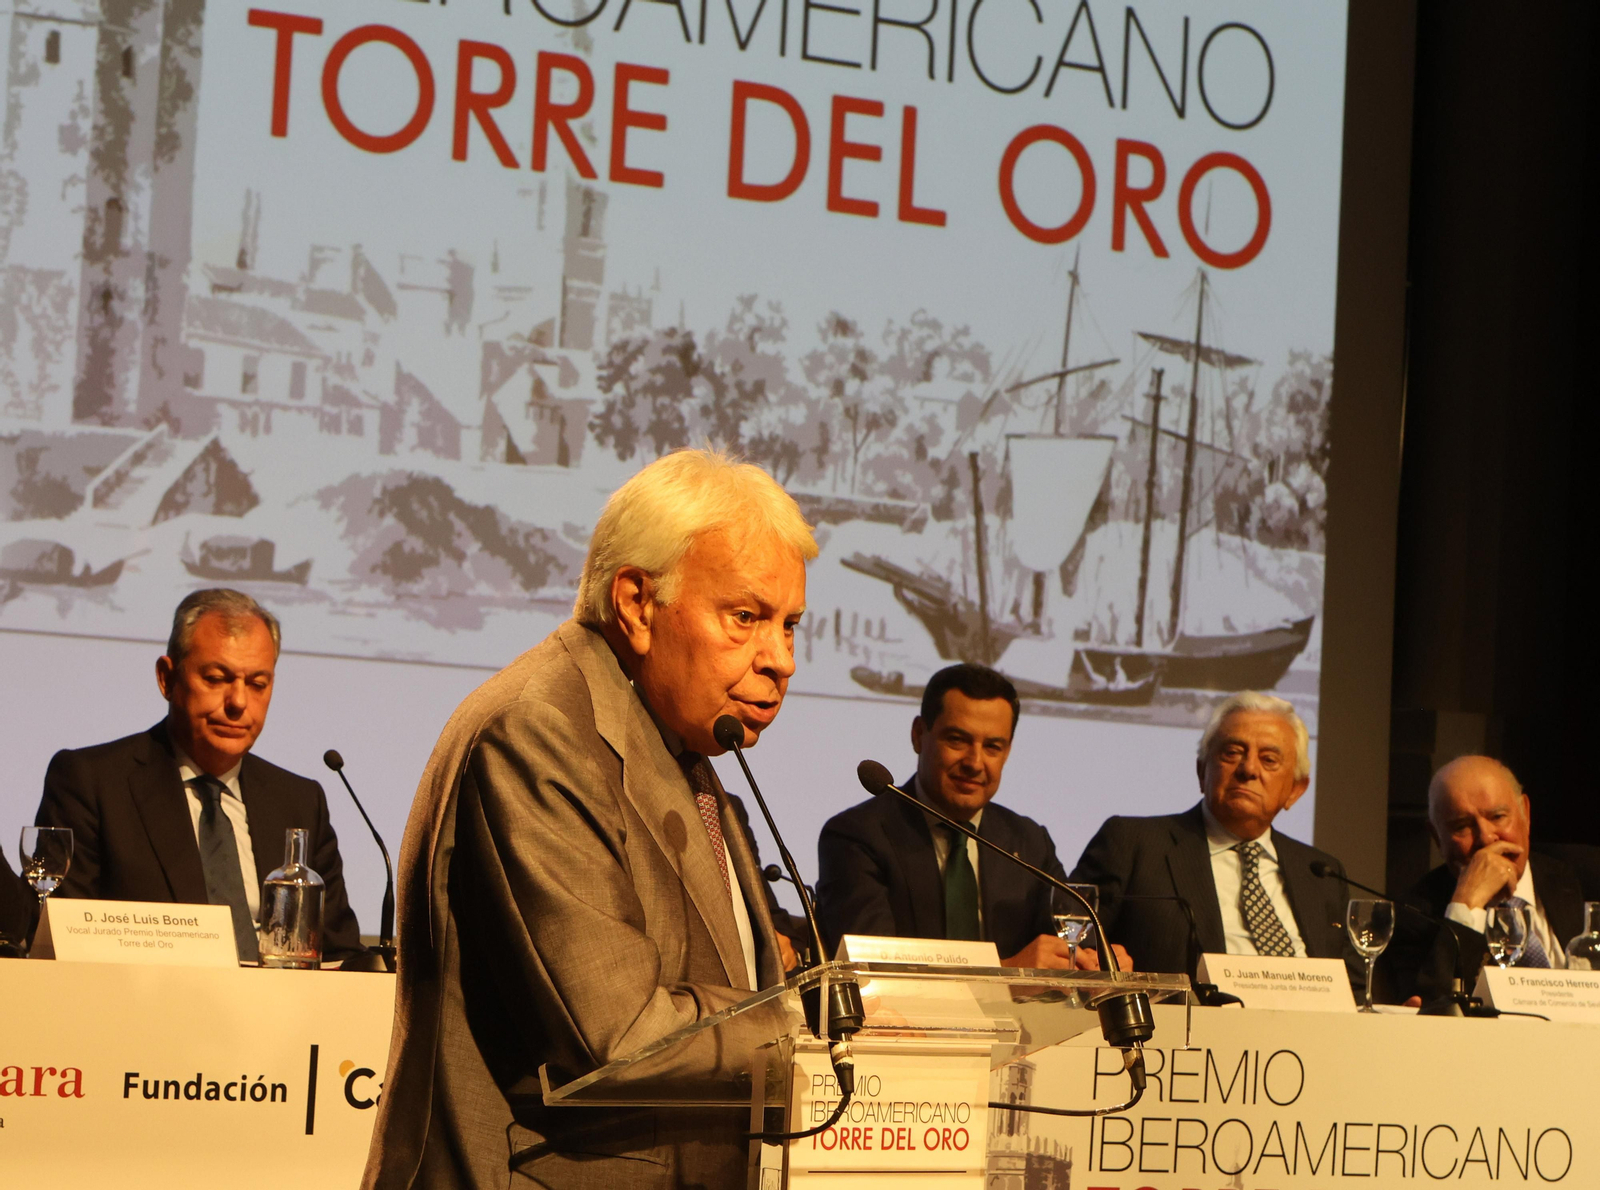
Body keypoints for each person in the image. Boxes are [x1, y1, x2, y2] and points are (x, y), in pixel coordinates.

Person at [363, 449, 809, 1190]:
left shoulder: (687, 739)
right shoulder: (538, 731)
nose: (781, 659)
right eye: (746, 617)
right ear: (636, 604)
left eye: (790, 624)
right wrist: (805, 1022)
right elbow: (618, 1038)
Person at [34, 589, 362, 962]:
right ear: (167, 679)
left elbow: (341, 953)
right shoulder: (91, 783)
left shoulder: (300, 801)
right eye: (217, 678)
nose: (238, 702)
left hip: (280, 1015)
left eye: (258, 684)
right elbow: (63, 941)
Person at [815, 663, 1116, 970]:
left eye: (992, 747)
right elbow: (869, 969)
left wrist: (1096, 963)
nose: (975, 762)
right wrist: (1007, 975)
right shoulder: (857, 836)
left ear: (1008, 751)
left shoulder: (1028, 841)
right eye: (957, 740)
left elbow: (1072, 948)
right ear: (919, 735)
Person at [1070, 691, 1358, 985]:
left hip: (1309, 1026)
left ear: (1296, 790)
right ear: (1201, 771)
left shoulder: (1322, 874)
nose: (1248, 770)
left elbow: (1354, 988)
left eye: (1269, 759)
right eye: (1232, 753)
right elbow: (1070, 942)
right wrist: (1095, 959)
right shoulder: (1133, 843)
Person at [1385, 756, 1586, 1003]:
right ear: (1437, 838)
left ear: (1526, 813)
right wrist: (1467, 904)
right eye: (1461, 826)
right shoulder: (1413, 914)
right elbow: (1429, 1010)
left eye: (1498, 817)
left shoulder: (1587, 879)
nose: (1486, 838)